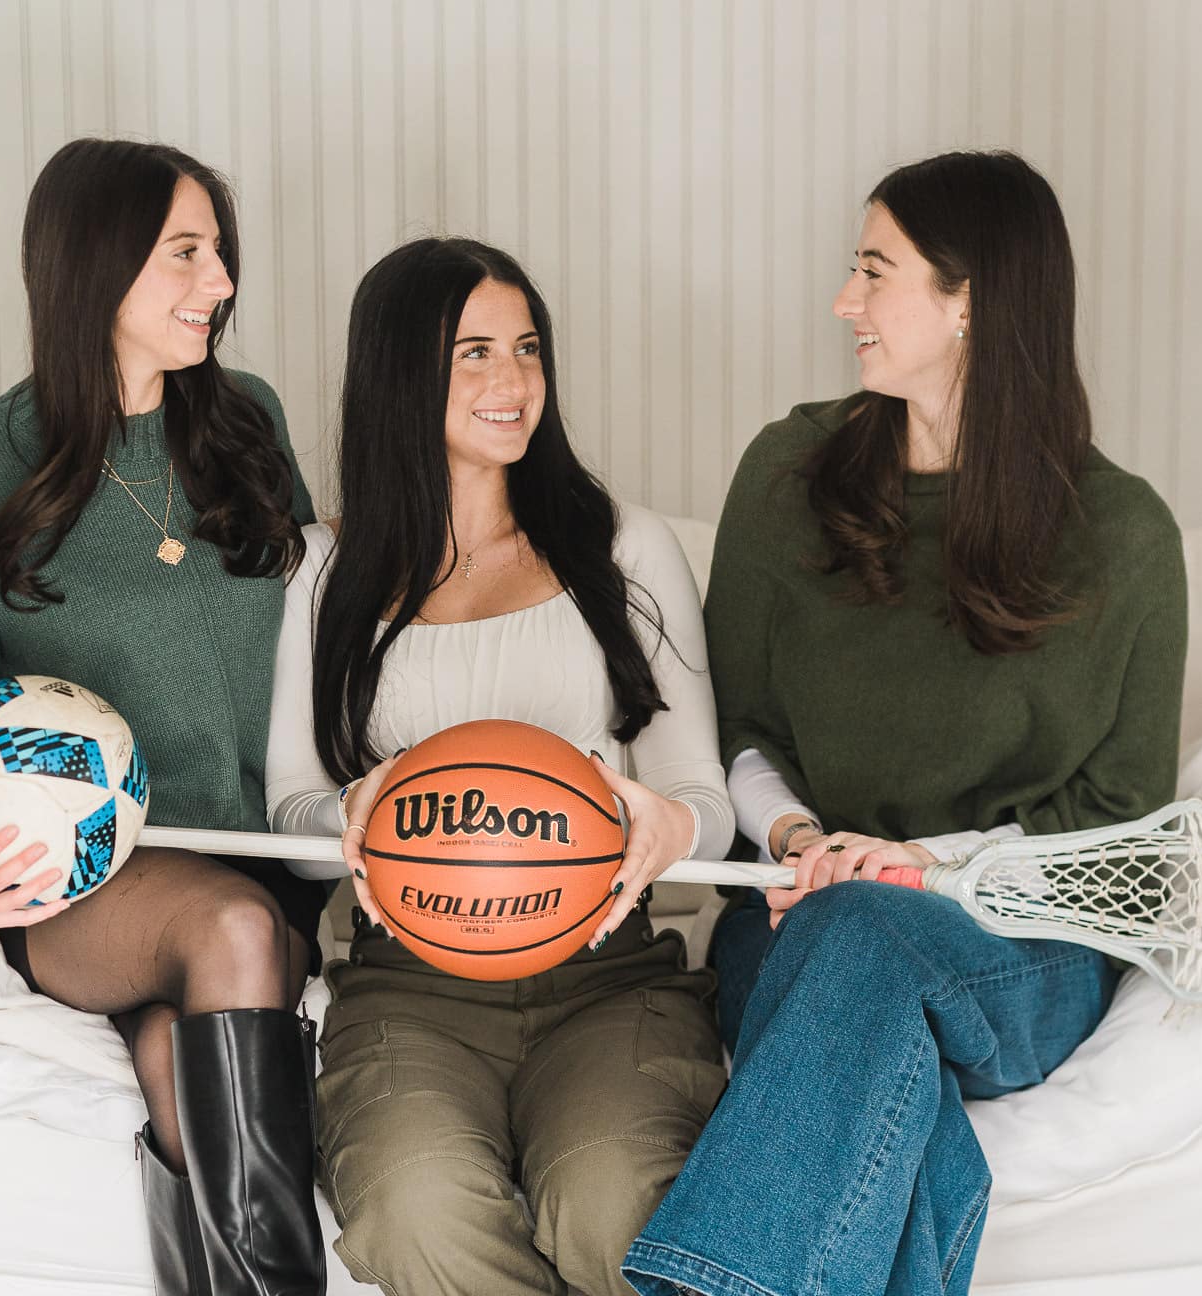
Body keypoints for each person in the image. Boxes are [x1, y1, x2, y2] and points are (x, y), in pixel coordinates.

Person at [622, 150, 1187, 1296]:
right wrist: (794, 842)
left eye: (874, 271)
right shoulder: (787, 473)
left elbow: (1120, 828)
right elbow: (740, 730)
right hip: (796, 908)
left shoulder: (1123, 536)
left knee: (868, 929)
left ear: (969, 299)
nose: (844, 301)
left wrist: (917, 866)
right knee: (858, 962)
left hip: (1017, 943)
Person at [0, 138, 327, 1296]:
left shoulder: (249, 425)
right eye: (187, 252)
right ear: (93, 266)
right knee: (227, 936)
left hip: (265, 854)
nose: (221, 283)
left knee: (187, 1035)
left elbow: (326, 647)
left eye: (219, 253)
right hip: (85, 887)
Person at [264, 236, 736, 1296]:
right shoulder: (320, 571)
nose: (513, 381)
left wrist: (669, 826)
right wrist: (352, 810)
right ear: (398, 372)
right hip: (406, 989)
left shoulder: (624, 547)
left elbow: (701, 798)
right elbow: (293, 826)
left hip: (610, 980)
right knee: (412, 1210)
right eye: (472, 352)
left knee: (612, 1202)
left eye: (527, 349)